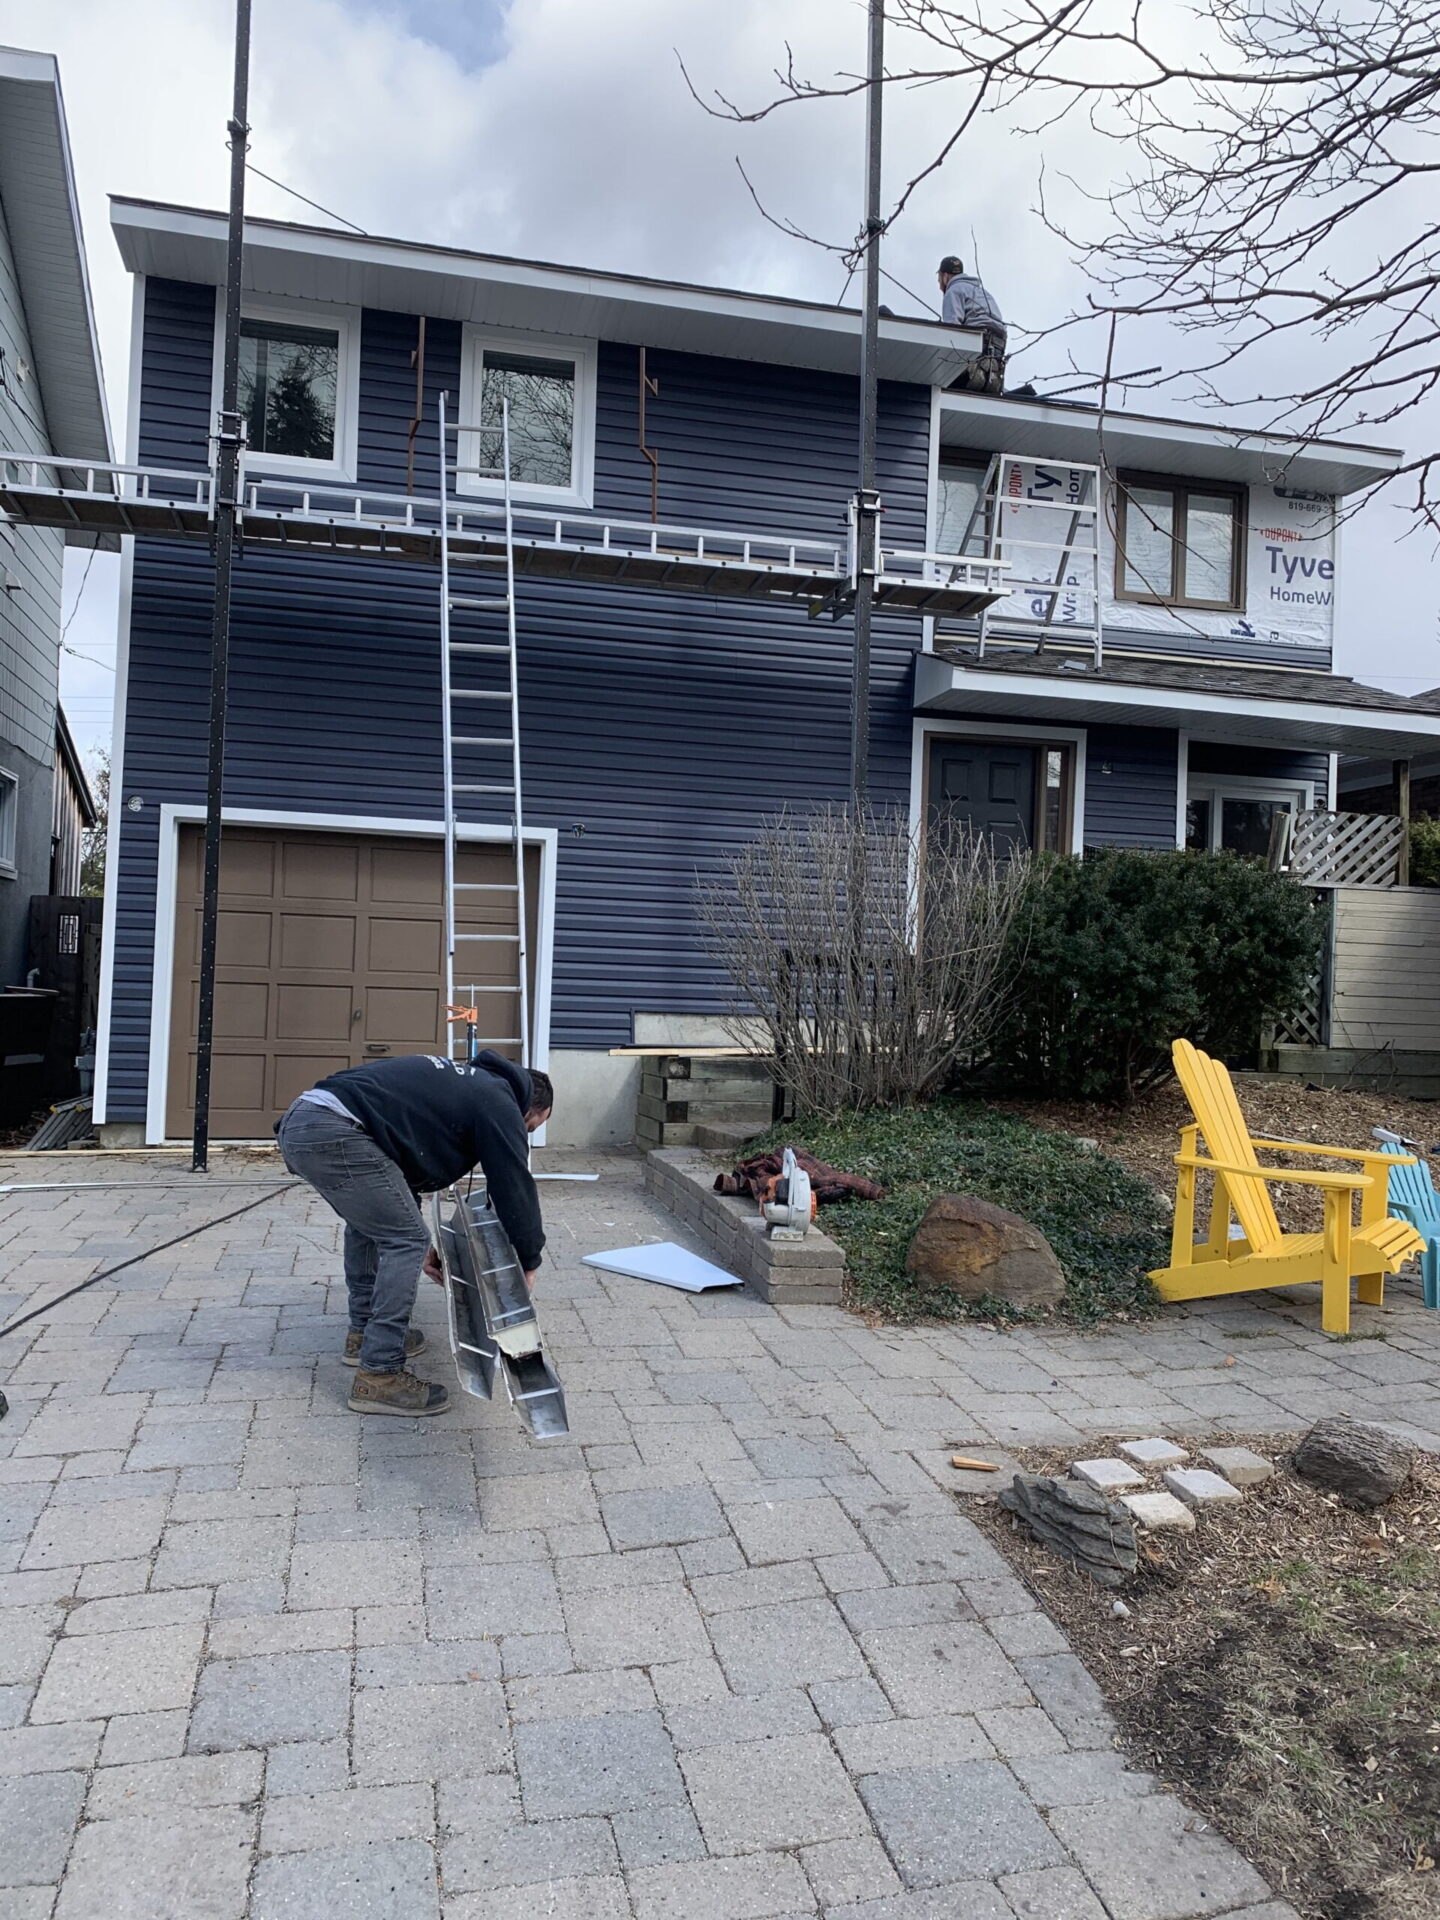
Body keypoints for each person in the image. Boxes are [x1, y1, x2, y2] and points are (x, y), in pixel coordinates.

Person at [276, 1051, 553, 1417]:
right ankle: (379, 1373)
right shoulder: (498, 1100)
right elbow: (513, 1184)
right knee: (405, 1241)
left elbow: (397, 1165)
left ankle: (363, 1335)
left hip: (308, 1120)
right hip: (333, 1128)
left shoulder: (467, 1083)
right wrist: (529, 1259)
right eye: (531, 1127)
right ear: (529, 1105)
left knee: (372, 1227)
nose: (526, 1134)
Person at [937, 255, 1008, 393]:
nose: (939, 283)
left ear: (945, 276)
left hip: (977, 346)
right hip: (997, 349)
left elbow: (952, 329)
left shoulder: (953, 291)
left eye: (939, 278)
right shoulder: (983, 292)